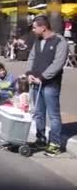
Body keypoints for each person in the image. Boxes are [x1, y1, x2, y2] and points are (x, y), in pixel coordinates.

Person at [25, 15, 68, 157]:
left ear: (43, 27)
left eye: (34, 27)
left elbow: (58, 63)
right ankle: (40, 139)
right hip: (36, 83)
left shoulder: (60, 41)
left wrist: (42, 77)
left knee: (53, 115)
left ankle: (55, 144)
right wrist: (29, 73)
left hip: (50, 84)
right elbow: (32, 57)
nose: (32, 30)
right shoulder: (38, 40)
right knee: (38, 113)